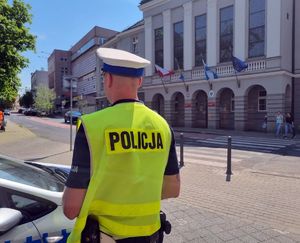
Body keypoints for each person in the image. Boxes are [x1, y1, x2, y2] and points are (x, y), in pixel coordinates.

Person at [62, 47, 180, 243]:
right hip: (150, 237)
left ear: (107, 79)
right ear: (139, 81)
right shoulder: (163, 126)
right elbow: (172, 189)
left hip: (103, 237)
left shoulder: (92, 126)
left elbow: (71, 209)